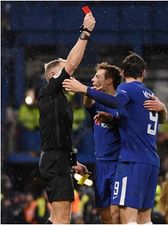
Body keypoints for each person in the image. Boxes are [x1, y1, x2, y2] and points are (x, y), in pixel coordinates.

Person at [63, 52, 165, 223]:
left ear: (121, 74)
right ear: (144, 72)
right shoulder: (147, 94)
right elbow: (91, 104)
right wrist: (162, 108)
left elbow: (117, 104)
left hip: (125, 161)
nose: (94, 79)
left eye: (97, 76)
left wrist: (82, 88)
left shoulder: (125, 94)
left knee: (124, 215)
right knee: (127, 217)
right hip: (129, 161)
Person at [38, 12, 95, 224]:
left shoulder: (58, 98)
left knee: (58, 218)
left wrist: (73, 163)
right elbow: (71, 65)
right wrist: (86, 32)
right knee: (62, 219)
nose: (70, 73)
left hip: (58, 161)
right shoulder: (49, 91)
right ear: (55, 76)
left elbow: (60, 136)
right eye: (64, 70)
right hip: (54, 162)